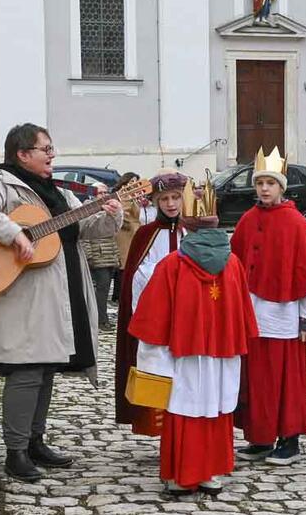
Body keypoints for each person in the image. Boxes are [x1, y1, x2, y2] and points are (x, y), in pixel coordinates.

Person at [0, 123, 123, 481]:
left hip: (58, 294)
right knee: (26, 370)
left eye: (51, 148)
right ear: (22, 154)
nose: (52, 155)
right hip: (23, 298)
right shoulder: (1, 185)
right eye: (45, 149)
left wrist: (111, 213)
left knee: (46, 368)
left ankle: (34, 442)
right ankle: (15, 452)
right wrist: (14, 234)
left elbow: (85, 229)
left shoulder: (59, 193)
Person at [127, 204, 259, 498]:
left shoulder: (172, 264)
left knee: (183, 408)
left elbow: (154, 318)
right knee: (215, 407)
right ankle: (210, 473)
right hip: (222, 355)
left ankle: (181, 476)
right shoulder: (233, 263)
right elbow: (242, 314)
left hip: (183, 356)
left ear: (187, 228)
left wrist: (151, 357)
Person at [230, 148, 306, 464]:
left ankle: (289, 440)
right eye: (260, 182)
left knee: (287, 383)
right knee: (258, 383)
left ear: (281, 187)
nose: (264, 189)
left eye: (270, 183)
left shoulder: (296, 224)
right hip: (253, 317)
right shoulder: (247, 220)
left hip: (285, 320)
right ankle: (261, 437)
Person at [116, 173, 190, 437]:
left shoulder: (192, 232)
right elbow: (135, 278)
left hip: (188, 319)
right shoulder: (145, 235)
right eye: (164, 199)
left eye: (175, 197)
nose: (170, 204)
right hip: (155, 319)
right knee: (158, 371)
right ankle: (162, 429)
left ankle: (185, 429)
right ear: (156, 201)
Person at [84, 182, 122, 331]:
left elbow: (113, 234)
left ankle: (102, 317)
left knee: (104, 289)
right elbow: (84, 236)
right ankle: (100, 319)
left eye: (106, 192)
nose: (104, 195)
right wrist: (88, 255)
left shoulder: (111, 208)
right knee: (101, 288)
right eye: (100, 193)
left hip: (109, 255)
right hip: (97, 255)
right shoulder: (87, 208)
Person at [113, 171, 142, 301]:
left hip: (132, 234)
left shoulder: (133, 196)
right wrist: (128, 224)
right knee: (123, 264)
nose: (134, 184)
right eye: (132, 181)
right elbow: (121, 213)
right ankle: (119, 294)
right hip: (125, 234)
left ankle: (121, 293)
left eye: (136, 182)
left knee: (128, 264)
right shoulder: (123, 195)